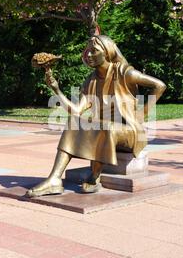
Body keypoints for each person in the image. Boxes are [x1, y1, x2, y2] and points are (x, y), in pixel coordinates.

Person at [27, 35, 166, 197]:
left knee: (104, 126)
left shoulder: (124, 72)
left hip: (130, 132)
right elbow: (77, 110)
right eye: (87, 51)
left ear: (107, 52)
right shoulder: (91, 80)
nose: (89, 54)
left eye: (94, 51)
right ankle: (54, 179)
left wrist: (141, 115)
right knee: (75, 122)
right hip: (106, 128)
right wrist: (56, 90)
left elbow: (159, 86)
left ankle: (95, 175)